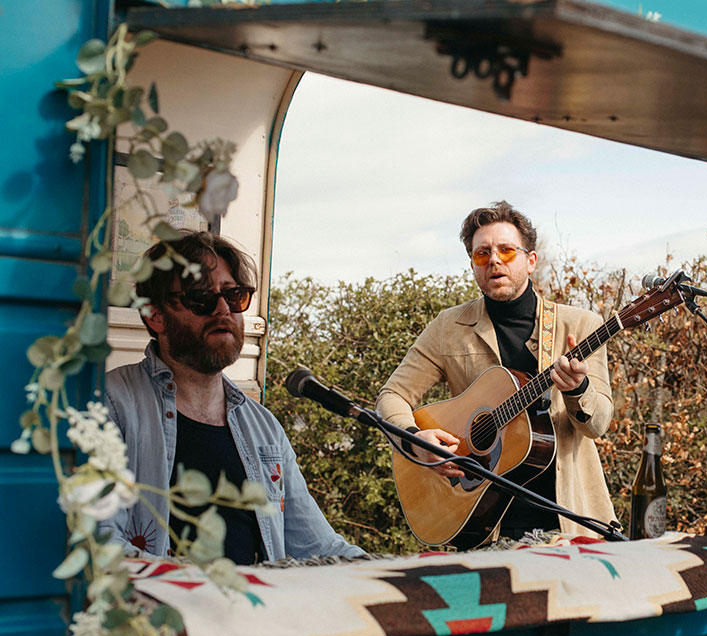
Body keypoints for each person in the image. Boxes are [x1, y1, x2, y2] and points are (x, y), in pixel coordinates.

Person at [102, 231, 364, 564]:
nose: (223, 309)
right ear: (155, 314)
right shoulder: (111, 405)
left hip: (250, 614)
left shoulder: (264, 427)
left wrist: (401, 573)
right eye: (201, 298)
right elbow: (101, 541)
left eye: (235, 295)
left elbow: (319, 546)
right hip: (160, 613)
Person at [376, 201, 617, 541]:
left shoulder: (579, 325)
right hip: (480, 522)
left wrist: (578, 389)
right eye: (482, 254)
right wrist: (414, 438)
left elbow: (599, 423)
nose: (494, 261)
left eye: (506, 251)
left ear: (530, 260)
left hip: (569, 522)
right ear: (473, 264)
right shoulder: (449, 326)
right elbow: (392, 396)